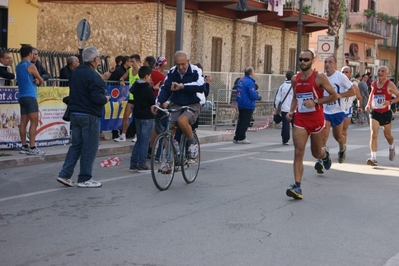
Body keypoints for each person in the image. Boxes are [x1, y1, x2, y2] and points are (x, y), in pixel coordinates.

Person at [285, 50, 338, 200]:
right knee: (298, 151)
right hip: (300, 119)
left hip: (316, 119)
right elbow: (296, 97)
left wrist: (315, 102)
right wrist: (291, 111)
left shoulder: (319, 77)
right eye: (301, 59)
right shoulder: (295, 79)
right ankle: (297, 186)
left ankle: (324, 155)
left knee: (316, 153)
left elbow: (333, 95)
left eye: (306, 59)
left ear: (312, 61)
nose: (302, 62)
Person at [56, 46, 110, 188]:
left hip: (75, 114)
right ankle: (84, 178)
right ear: (95, 60)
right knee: (90, 147)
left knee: (76, 146)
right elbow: (96, 97)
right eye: (98, 58)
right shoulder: (93, 76)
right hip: (89, 115)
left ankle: (65, 174)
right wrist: (106, 99)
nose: (98, 61)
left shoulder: (75, 72)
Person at [153, 50, 205, 159]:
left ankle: (192, 143)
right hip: (177, 103)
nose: (180, 67)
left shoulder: (196, 70)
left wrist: (182, 86)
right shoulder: (172, 72)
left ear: (188, 61)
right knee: (168, 127)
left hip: (193, 103)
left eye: (183, 64)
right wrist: (157, 103)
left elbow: (201, 86)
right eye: (178, 64)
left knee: (182, 120)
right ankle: (168, 159)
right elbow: (165, 88)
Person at [314, 56, 355, 174]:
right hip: (325, 111)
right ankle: (321, 160)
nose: (327, 64)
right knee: (324, 137)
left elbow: (353, 91)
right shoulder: (321, 77)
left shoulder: (340, 77)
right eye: (325, 62)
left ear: (335, 64)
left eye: (330, 62)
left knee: (338, 137)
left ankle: (342, 148)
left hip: (338, 111)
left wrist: (339, 96)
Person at [365, 66, 399, 166]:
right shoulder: (374, 84)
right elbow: (372, 94)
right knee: (373, 134)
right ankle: (373, 158)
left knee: (387, 135)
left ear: (387, 73)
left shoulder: (390, 84)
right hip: (375, 112)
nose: (380, 72)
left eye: (383, 71)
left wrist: (390, 101)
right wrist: (368, 104)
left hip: (385, 113)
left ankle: (392, 146)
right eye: (379, 71)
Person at [16, 45, 45, 155]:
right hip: (30, 95)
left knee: (23, 122)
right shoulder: (31, 66)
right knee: (34, 121)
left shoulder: (18, 66)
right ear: (30, 54)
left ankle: (24, 145)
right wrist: (38, 80)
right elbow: (41, 80)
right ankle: (32, 147)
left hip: (22, 96)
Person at [129, 65, 155, 172]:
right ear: (146, 76)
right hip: (147, 116)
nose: (150, 78)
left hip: (137, 116)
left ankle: (133, 163)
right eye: (149, 75)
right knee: (145, 141)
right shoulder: (147, 89)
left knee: (139, 140)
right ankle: (142, 163)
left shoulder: (136, 86)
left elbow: (132, 91)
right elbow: (152, 102)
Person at [114, 54, 141, 142]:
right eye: (130, 61)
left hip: (139, 98)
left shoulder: (141, 71)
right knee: (126, 115)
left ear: (137, 61)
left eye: (133, 61)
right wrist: (121, 81)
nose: (131, 63)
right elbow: (122, 77)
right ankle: (123, 135)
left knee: (137, 117)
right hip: (131, 97)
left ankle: (137, 135)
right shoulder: (129, 70)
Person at [232, 67, 260, 144]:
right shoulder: (250, 82)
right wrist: (258, 97)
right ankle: (241, 137)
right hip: (247, 104)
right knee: (245, 122)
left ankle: (236, 137)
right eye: (253, 72)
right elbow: (252, 94)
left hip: (240, 102)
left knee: (240, 121)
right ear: (251, 73)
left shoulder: (241, 80)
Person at [341, 66, 362, 150]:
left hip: (347, 110)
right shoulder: (336, 84)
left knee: (343, 131)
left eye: (346, 72)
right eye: (343, 72)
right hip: (336, 110)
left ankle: (342, 148)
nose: (344, 74)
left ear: (350, 74)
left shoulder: (354, 86)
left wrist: (359, 106)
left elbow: (359, 98)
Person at [274, 70, 294, 145]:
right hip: (294, 108)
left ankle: (285, 140)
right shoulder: (295, 86)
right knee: (295, 125)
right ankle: (297, 139)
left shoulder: (282, 86)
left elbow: (278, 99)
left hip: (285, 108)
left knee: (285, 125)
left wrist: (277, 108)